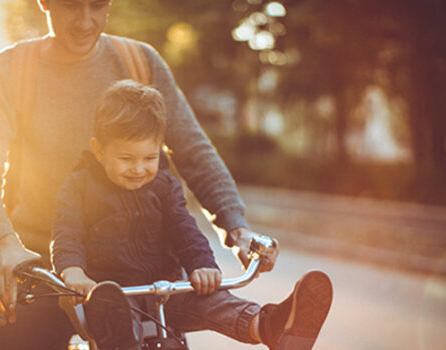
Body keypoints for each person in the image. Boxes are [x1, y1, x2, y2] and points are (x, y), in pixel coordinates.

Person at [0, 0, 280, 348]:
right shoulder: (9, 70)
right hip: (46, 269)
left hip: (141, 275)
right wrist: (5, 246)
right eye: (71, 7)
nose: (85, 21)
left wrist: (237, 228)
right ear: (45, 3)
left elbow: (194, 152)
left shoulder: (139, 62)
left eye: (97, 6)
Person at [51, 79, 333, 350]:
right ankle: (122, 343)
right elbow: (67, 233)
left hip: (165, 291)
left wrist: (202, 264)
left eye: (149, 158)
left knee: (211, 300)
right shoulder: (79, 186)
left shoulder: (164, 185)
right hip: (111, 295)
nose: (139, 169)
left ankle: (270, 325)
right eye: (126, 159)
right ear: (99, 150)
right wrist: (72, 270)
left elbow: (184, 228)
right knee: (116, 319)